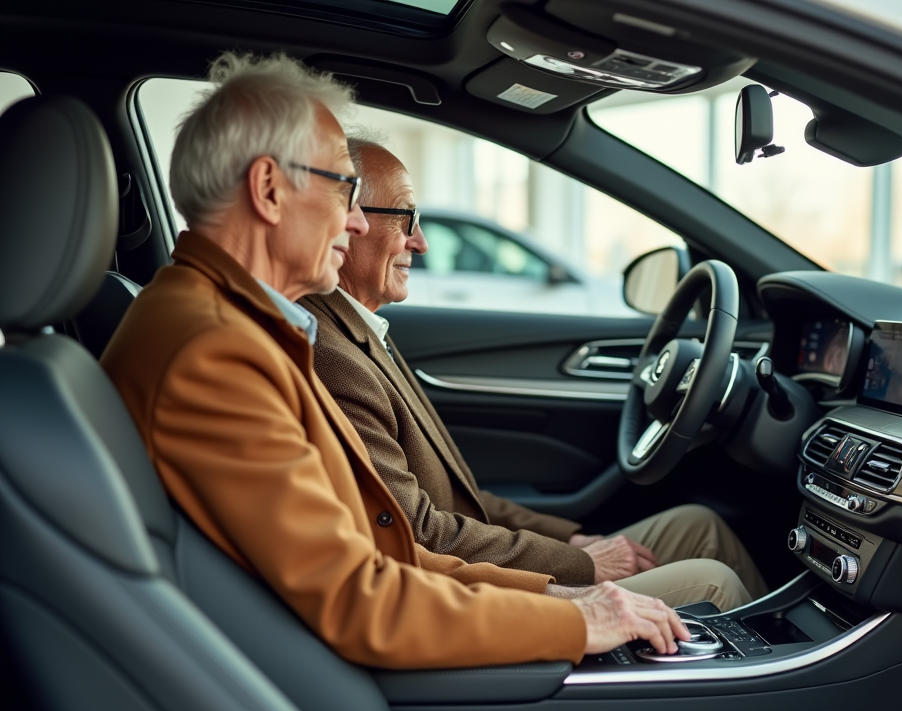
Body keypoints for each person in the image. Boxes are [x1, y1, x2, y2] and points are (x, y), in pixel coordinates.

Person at [102, 51, 690, 670]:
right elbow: (358, 599)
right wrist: (576, 619)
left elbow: (384, 544)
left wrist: (557, 593)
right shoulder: (214, 353)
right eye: (343, 189)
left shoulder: (228, 323)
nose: (354, 220)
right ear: (270, 189)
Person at [298, 135, 770, 611]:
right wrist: (579, 567)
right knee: (712, 581)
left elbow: (464, 498)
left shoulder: (362, 330)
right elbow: (416, 533)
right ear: (343, 219)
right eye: (407, 218)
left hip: (478, 570)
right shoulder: (333, 357)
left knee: (698, 525)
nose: (419, 242)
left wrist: (576, 541)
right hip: (470, 594)